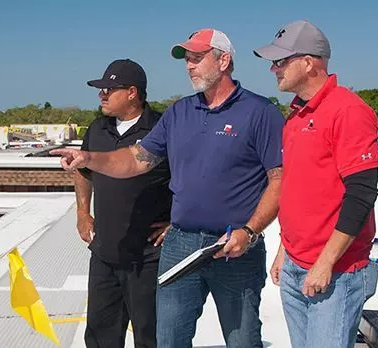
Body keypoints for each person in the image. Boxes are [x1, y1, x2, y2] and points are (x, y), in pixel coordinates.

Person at [52, 28, 284, 348]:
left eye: (197, 58)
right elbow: (136, 160)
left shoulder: (261, 113)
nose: (189, 65)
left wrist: (250, 231)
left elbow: (280, 180)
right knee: (167, 340)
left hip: (236, 248)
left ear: (224, 60)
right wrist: (89, 157)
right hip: (181, 247)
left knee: (242, 339)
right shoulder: (179, 113)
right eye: (187, 59)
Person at [253, 19, 378, 348]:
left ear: (309, 62)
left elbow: (362, 194)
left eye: (280, 61)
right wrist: (285, 250)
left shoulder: (349, 111)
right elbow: (297, 190)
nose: (273, 69)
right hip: (298, 265)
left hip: (336, 272)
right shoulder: (295, 116)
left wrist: (325, 263)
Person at [73, 58, 172, 348]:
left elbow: (190, 178)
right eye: (101, 89)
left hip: (149, 257)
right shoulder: (97, 129)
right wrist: (82, 212)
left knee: (150, 337)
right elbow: (82, 171)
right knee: (100, 338)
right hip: (105, 254)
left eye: (109, 89)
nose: (101, 94)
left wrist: (177, 222)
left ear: (132, 92)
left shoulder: (161, 128)